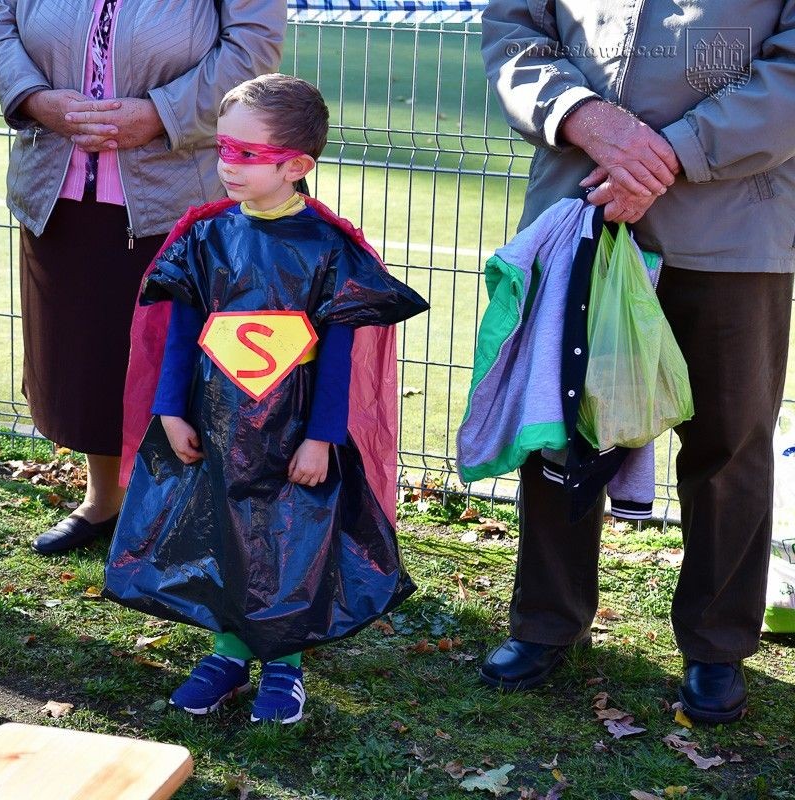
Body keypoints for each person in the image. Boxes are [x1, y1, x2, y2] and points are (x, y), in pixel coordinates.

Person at [481, 0, 795, 723]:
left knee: (729, 441)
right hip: (579, 209)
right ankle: (545, 622)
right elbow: (514, 31)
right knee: (559, 423)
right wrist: (585, 116)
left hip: (735, 228)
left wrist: (676, 153)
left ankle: (716, 646)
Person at [103, 75, 428, 725]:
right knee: (222, 536)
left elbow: (338, 349)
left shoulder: (326, 249)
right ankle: (226, 655)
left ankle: (284, 665)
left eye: (247, 155)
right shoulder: (205, 236)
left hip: (292, 427)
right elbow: (184, 327)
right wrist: (169, 408)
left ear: (297, 166)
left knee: (291, 542)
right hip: (217, 425)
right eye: (224, 149)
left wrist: (322, 435)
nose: (228, 165)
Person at [0, 0, 286, 555]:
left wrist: (160, 114)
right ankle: (105, 503)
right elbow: (1, 21)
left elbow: (251, 48)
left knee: (189, 371)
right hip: (60, 188)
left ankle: (194, 514)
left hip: (177, 194)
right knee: (89, 368)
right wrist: (33, 100)